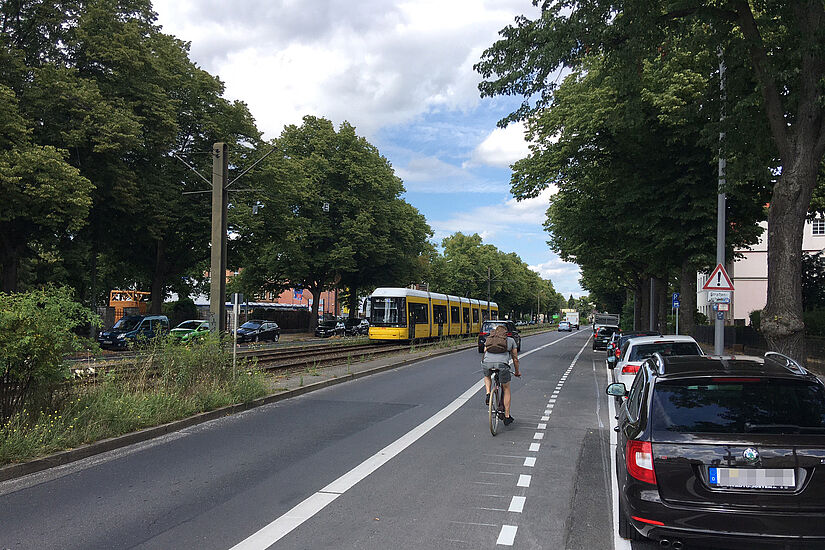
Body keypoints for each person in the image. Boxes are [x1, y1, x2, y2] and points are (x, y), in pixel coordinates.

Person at [482, 325, 521, 425]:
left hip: (487, 363)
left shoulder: (489, 339)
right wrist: (517, 372)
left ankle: (488, 393)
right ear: (505, 333)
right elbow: (515, 359)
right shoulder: (511, 340)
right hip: (502, 365)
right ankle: (507, 416)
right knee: (506, 387)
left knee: (487, 376)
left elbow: (484, 351)